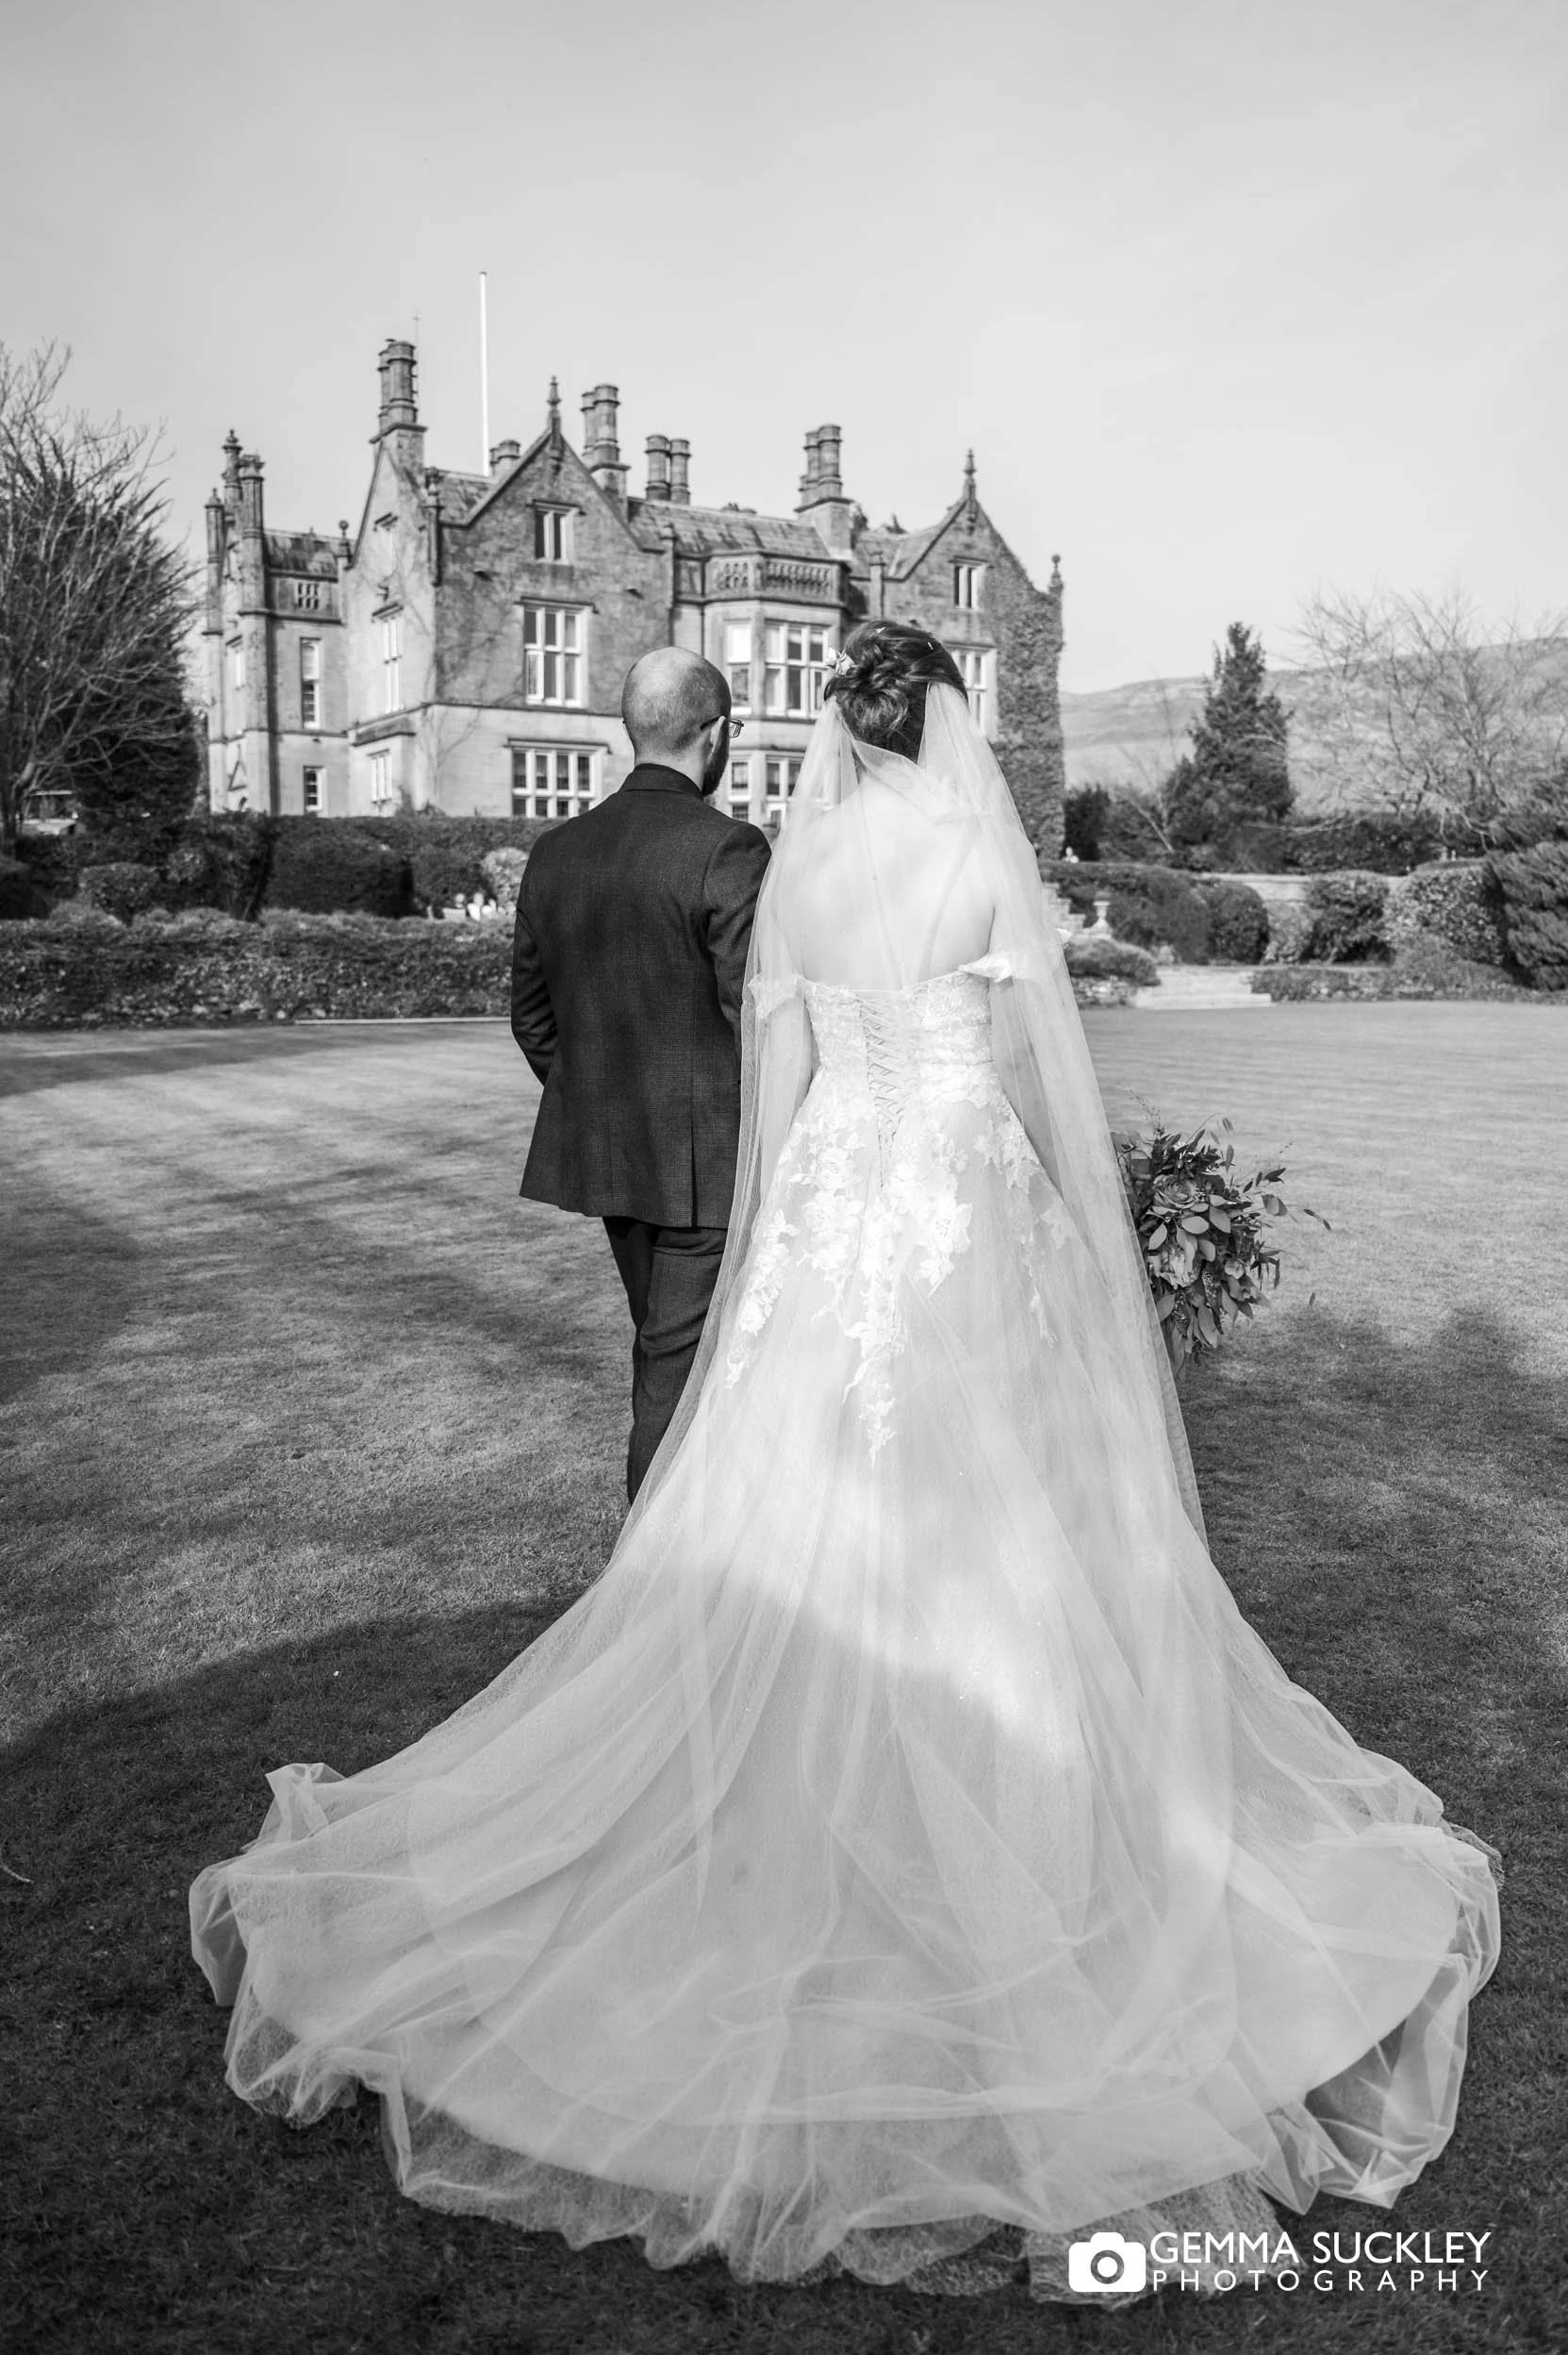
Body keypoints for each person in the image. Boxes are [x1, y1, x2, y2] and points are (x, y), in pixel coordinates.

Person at [190, 622, 1499, 2310]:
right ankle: (1028, 1862)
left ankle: (773, 1830)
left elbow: (788, 1095)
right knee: (1013, 1535)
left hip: (828, 1225)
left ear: (832, 737)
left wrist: (777, 1270)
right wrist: (1114, 1240)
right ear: (945, 731)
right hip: (965, 1224)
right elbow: (1031, 1088)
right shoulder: (973, 863)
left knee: (806, 1515)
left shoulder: (799, 877)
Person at [510, 648, 770, 1499]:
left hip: (610, 1156)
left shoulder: (555, 851)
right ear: (717, 732)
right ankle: (652, 1582)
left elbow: (533, 1019)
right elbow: (754, 1017)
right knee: (674, 1370)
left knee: (666, 1351)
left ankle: (708, 1542)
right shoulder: (728, 846)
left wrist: (604, 1098)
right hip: (708, 1165)